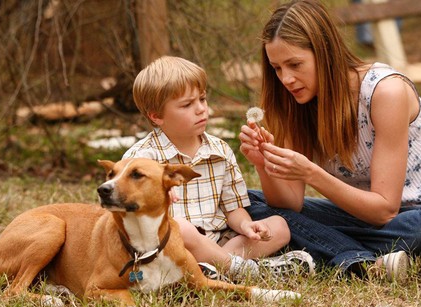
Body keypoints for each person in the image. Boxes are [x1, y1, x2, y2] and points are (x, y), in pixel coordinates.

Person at [239, 0, 421, 282]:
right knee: (247, 201)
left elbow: (385, 210)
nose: (286, 78)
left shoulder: (385, 91)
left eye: (295, 64)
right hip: (354, 216)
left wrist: (312, 174)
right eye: (277, 68)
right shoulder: (293, 103)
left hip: (416, 218)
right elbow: (289, 205)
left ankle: (327, 248)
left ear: (325, 53)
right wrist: (263, 165)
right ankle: (360, 261)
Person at [122, 56, 315, 281]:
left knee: (279, 227)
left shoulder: (220, 150)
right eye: (187, 105)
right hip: (169, 246)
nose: (201, 109)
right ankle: (244, 270)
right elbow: (127, 212)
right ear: (156, 116)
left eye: (202, 100)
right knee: (181, 228)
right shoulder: (142, 159)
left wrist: (246, 225)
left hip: (218, 241)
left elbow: (232, 208)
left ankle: (209, 270)